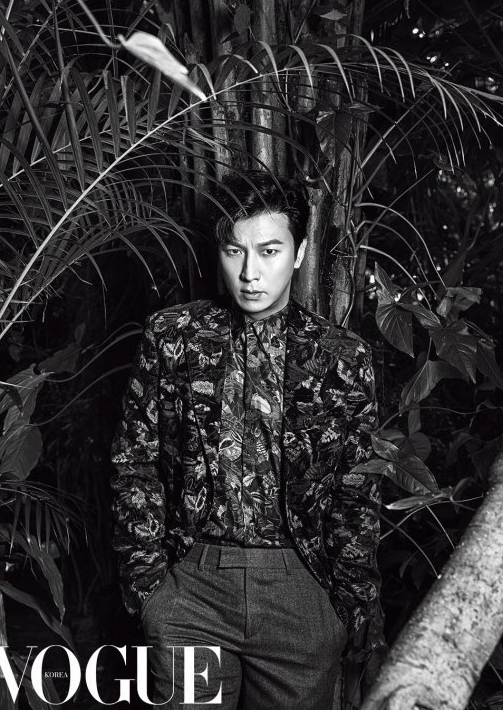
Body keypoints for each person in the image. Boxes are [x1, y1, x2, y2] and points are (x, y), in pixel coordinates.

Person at [110, 170, 386, 710]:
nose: (250, 272)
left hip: (301, 591)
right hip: (191, 587)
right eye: (235, 251)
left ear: (300, 253)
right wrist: (149, 588)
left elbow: (357, 490)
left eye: (269, 251)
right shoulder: (173, 336)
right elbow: (134, 461)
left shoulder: (342, 357)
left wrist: (345, 605)